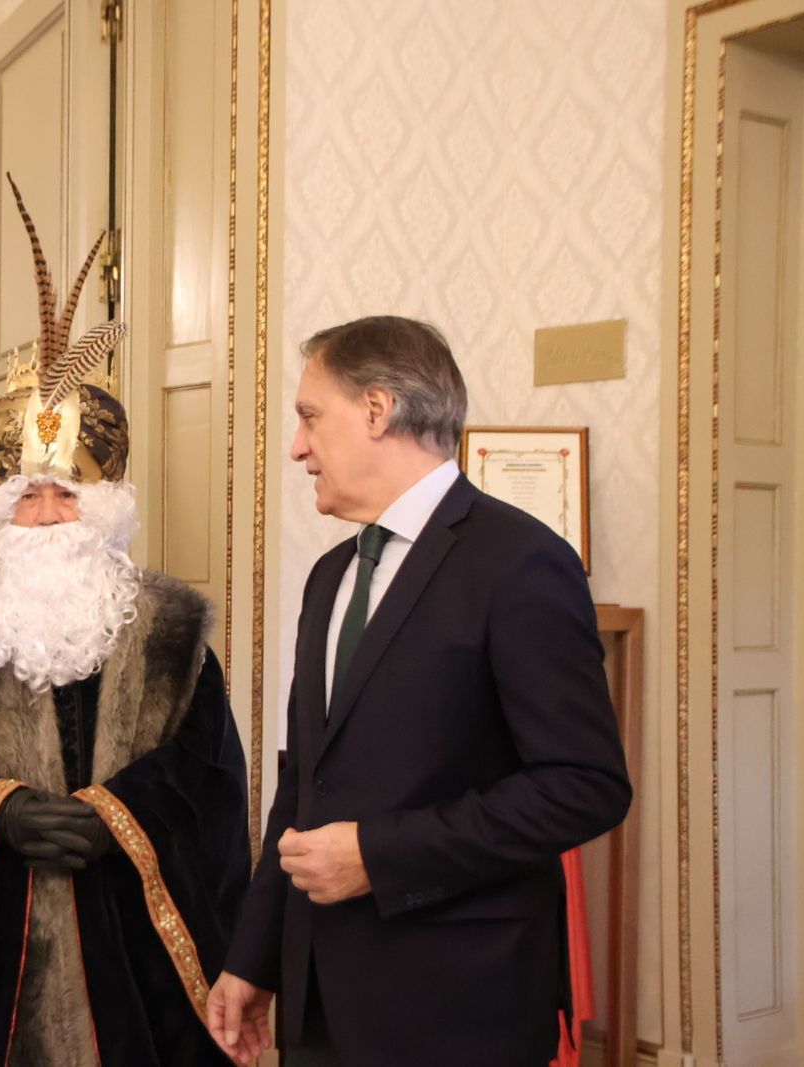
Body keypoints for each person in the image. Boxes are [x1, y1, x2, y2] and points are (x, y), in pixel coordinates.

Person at [0, 180, 250, 1066]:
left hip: (133, 954)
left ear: (105, 505)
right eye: (24, 494)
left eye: (64, 493)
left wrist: (114, 816)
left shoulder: (170, 629)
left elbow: (209, 777)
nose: (44, 514)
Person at [205, 316, 633, 1066]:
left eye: (309, 417)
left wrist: (380, 854)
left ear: (377, 410)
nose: (297, 446)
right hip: (320, 1005)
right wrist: (254, 957)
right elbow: (304, 783)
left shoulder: (523, 562)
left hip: (461, 1006)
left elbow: (585, 785)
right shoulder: (329, 579)